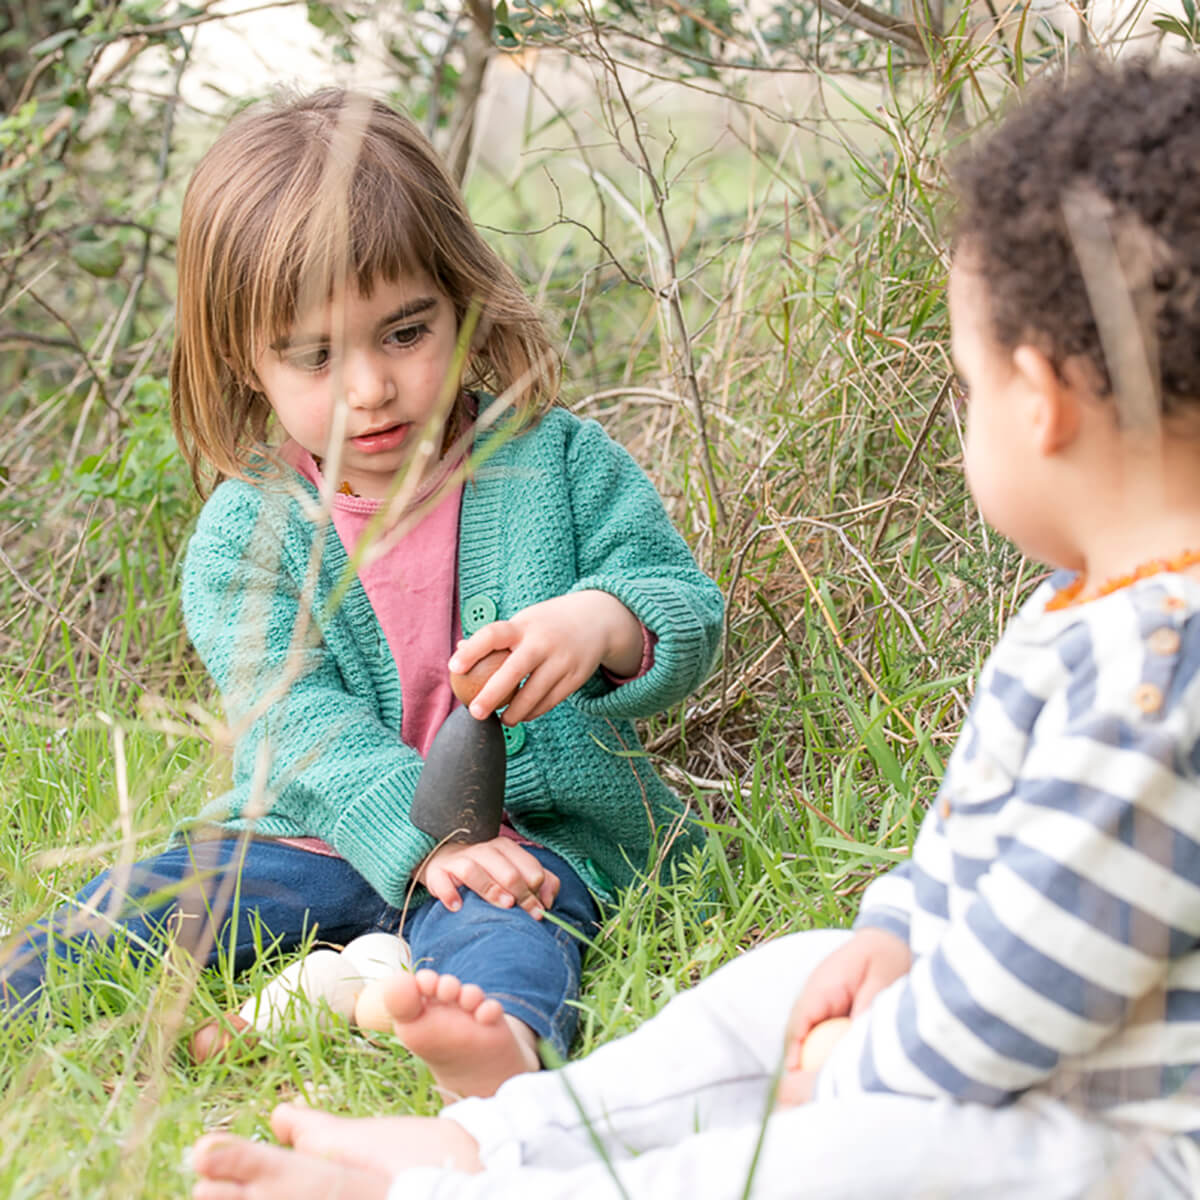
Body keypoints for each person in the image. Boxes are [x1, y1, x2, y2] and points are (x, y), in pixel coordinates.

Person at [190, 58, 1200, 1200]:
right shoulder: (1092, 610)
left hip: (1125, 1136)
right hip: (1017, 1065)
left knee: (854, 1153)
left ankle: (463, 1192)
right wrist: (896, 935)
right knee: (800, 972)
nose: (370, 388)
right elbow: (972, 847)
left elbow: (1044, 971)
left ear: (1041, 403)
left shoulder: (1162, 675)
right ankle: (508, 1139)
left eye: (966, 387)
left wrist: (867, 1072)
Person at [0, 88, 723, 1102]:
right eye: (315, 355)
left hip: (523, 842)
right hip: (313, 837)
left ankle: (491, 1048)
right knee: (130, 913)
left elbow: (680, 601)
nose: (370, 389)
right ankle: (278, 985)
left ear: (461, 302)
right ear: (244, 361)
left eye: (405, 333)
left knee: (514, 935)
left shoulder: (558, 463)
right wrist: (425, 842)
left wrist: (600, 621)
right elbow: (293, 721)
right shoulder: (248, 535)